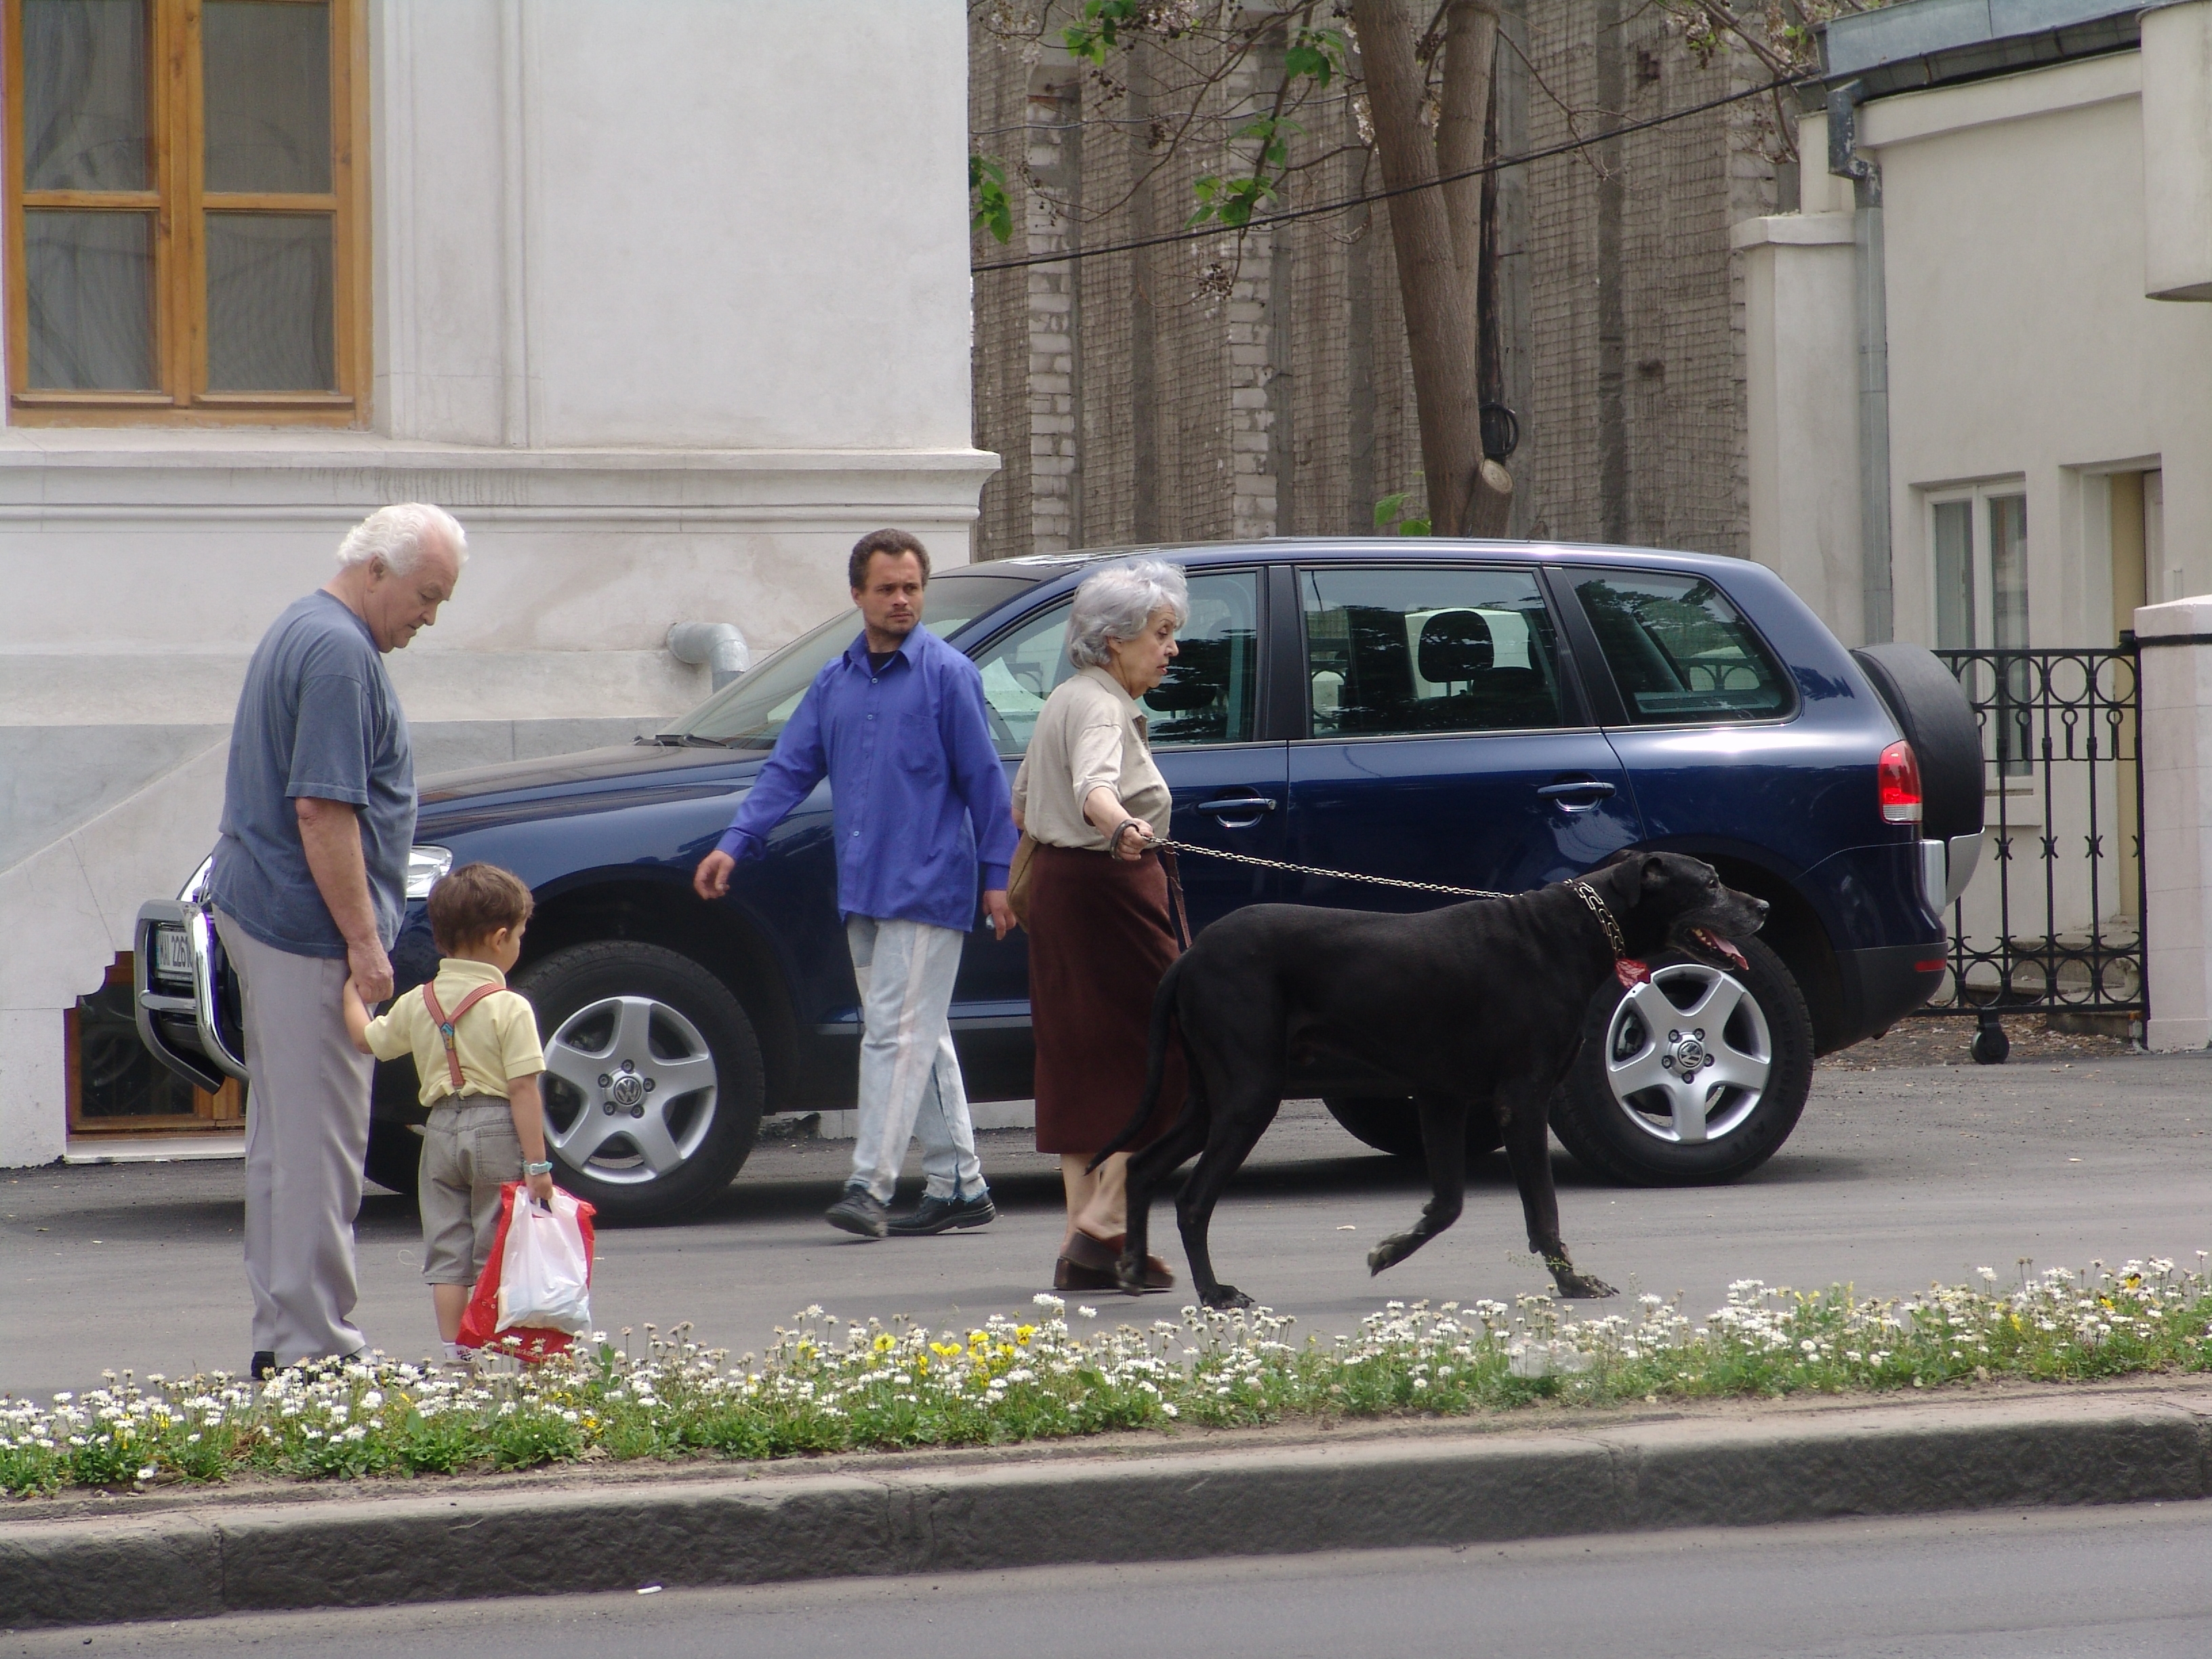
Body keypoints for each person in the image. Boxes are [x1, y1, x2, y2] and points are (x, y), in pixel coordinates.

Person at [693, 529, 1019, 1238]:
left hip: (931, 886)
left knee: (895, 1038)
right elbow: (787, 769)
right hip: (864, 887)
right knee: (913, 1036)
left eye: (912, 588)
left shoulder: (948, 675)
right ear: (858, 596)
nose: (902, 600)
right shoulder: (835, 681)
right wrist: (735, 844)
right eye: (887, 589)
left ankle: (869, 1186)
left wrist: (999, 878)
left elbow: (987, 786)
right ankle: (960, 1183)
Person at [208, 502, 468, 1379]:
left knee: (287, 1142)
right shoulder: (339, 651)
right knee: (319, 1146)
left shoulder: (304, 626)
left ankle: (288, 1338)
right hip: (305, 928)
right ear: (378, 573)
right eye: (426, 596)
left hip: (267, 910)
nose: (429, 617)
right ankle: (317, 1347)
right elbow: (322, 808)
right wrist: (365, 944)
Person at [1012, 558, 1190, 1293]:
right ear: (1114, 640)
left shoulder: (1066, 697)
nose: (1172, 648)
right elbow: (1094, 787)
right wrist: (1120, 829)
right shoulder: (1102, 706)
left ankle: (1086, 1251)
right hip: (1110, 893)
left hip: (1061, 892)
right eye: (1162, 632)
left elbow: (1023, 804)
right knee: (1185, 1048)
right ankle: (1103, 1222)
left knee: (1082, 1068)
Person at [340, 863, 550, 1364]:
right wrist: (538, 1166)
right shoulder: (510, 1007)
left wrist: (351, 990)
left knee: (448, 1250)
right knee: (497, 1245)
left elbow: (365, 1040)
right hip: (496, 1127)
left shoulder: (419, 1001)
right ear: (501, 937)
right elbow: (522, 1089)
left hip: (437, 1131)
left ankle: (458, 1351)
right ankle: (502, 1346)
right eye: (519, 934)